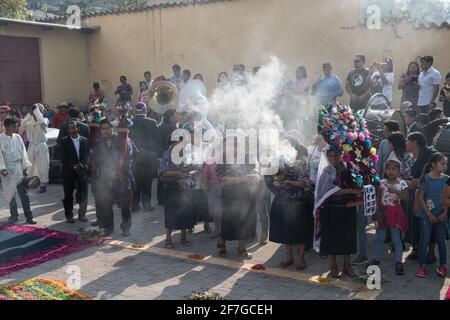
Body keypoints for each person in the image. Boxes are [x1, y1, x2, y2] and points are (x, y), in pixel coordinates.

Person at [314, 146, 362, 278]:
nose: (334, 158)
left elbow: (356, 183)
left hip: (348, 208)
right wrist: (352, 191)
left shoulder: (348, 168)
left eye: (336, 155)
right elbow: (331, 191)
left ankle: (347, 265)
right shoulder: (326, 171)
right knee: (332, 238)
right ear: (327, 157)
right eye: (331, 156)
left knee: (349, 237)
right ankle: (333, 265)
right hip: (332, 210)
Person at [266, 145, 314, 270]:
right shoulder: (281, 163)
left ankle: (302, 259)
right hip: (283, 203)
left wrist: (289, 182)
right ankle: (289, 257)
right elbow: (271, 180)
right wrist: (275, 183)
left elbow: (305, 183)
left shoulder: (303, 164)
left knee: (301, 233)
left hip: (299, 203)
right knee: (285, 231)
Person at [216, 136, 259, 259]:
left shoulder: (246, 156)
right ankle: (222, 244)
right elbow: (224, 181)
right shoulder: (222, 159)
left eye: (236, 145)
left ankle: (241, 248)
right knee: (228, 221)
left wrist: (256, 179)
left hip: (246, 195)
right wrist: (243, 179)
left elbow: (254, 172)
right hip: (230, 196)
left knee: (245, 221)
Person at [91, 119, 135, 236]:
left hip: (122, 177)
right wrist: (108, 173)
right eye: (103, 129)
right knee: (107, 203)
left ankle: (126, 227)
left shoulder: (123, 141)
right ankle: (108, 227)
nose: (105, 131)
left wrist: (121, 172)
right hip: (106, 178)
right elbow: (98, 161)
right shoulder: (98, 143)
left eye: (108, 128)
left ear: (113, 128)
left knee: (125, 204)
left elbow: (129, 158)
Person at [369, 155, 409, 275]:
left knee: (396, 239)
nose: (391, 171)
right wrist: (375, 209)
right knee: (380, 238)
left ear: (399, 170)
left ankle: (398, 262)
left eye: (394, 169)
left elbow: (407, 198)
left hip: (395, 214)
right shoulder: (381, 183)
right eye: (389, 169)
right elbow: (378, 197)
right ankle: (375, 259)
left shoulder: (402, 183)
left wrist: (396, 191)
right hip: (382, 213)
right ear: (385, 170)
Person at [405, 132, 437, 259]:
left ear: (415, 142)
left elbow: (435, 174)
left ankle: (431, 253)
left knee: (429, 224)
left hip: (429, 196)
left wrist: (418, 182)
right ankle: (417, 248)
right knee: (415, 222)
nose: (405, 143)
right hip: (415, 193)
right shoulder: (413, 156)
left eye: (408, 140)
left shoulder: (430, 155)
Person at [416, 153, 448, 278]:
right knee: (425, 240)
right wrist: (429, 214)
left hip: (442, 216)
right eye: (442, 163)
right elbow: (420, 197)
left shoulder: (447, 179)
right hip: (426, 215)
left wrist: (445, 213)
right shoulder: (425, 178)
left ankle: (443, 265)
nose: (445, 166)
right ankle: (422, 266)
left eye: (446, 163)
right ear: (434, 165)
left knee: (441, 241)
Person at [159, 137, 195, 248]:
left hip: (184, 188)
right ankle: (168, 239)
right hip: (171, 187)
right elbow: (163, 172)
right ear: (173, 142)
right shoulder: (166, 155)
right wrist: (179, 174)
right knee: (170, 214)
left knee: (185, 212)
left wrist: (190, 172)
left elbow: (193, 167)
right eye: (179, 142)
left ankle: (183, 237)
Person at [0, 118, 36, 224]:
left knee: (24, 194)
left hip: (19, 168)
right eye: (14, 126)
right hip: (7, 169)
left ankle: (29, 217)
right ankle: (14, 216)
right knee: (10, 195)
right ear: (6, 127)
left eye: (16, 126)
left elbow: (24, 153)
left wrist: (25, 167)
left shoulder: (18, 137)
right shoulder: (1, 139)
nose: (16, 128)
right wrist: (2, 169)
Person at [129, 102, 159, 212]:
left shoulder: (131, 122)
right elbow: (157, 140)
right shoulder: (152, 122)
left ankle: (135, 205)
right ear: (145, 111)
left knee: (136, 182)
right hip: (149, 158)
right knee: (147, 182)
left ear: (135, 111)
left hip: (135, 157)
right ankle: (146, 205)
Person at [60, 121, 89, 223]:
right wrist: (74, 166)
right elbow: (63, 157)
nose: (72, 130)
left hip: (82, 171)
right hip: (68, 171)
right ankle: (69, 215)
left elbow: (87, 155)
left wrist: (81, 165)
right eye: (70, 128)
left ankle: (82, 215)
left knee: (83, 193)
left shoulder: (84, 140)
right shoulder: (64, 141)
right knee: (68, 194)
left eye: (73, 128)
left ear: (78, 129)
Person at [22, 103, 49, 193]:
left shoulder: (45, 120)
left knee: (43, 165)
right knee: (30, 165)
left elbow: (42, 122)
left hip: (41, 145)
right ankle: (29, 182)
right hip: (32, 145)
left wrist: (36, 110)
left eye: (38, 111)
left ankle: (43, 183)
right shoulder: (29, 121)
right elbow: (23, 124)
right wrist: (30, 113)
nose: (36, 112)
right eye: (35, 110)